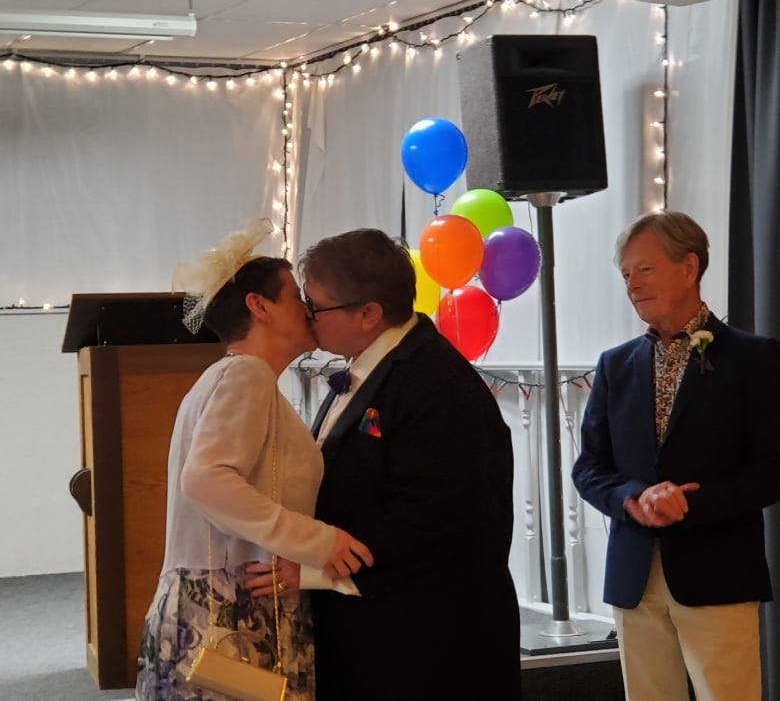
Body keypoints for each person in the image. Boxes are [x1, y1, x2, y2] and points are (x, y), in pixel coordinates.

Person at [257, 227, 522, 701]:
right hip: (380, 638)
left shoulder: (436, 385)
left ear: (368, 314)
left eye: (316, 306)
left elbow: (435, 520)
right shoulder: (376, 364)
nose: (307, 316)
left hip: (428, 647)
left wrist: (316, 568)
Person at [135, 219, 373, 701]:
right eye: (294, 298)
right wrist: (317, 541)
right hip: (226, 617)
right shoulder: (246, 375)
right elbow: (204, 480)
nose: (309, 310)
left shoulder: (238, 378)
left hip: (228, 606)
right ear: (259, 306)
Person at [572, 210, 780, 701]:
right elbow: (588, 468)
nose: (632, 285)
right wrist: (632, 498)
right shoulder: (615, 365)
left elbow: (773, 470)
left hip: (718, 571)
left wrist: (691, 503)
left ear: (690, 267)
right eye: (625, 274)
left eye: (644, 269)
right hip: (633, 576)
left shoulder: (755, 359)